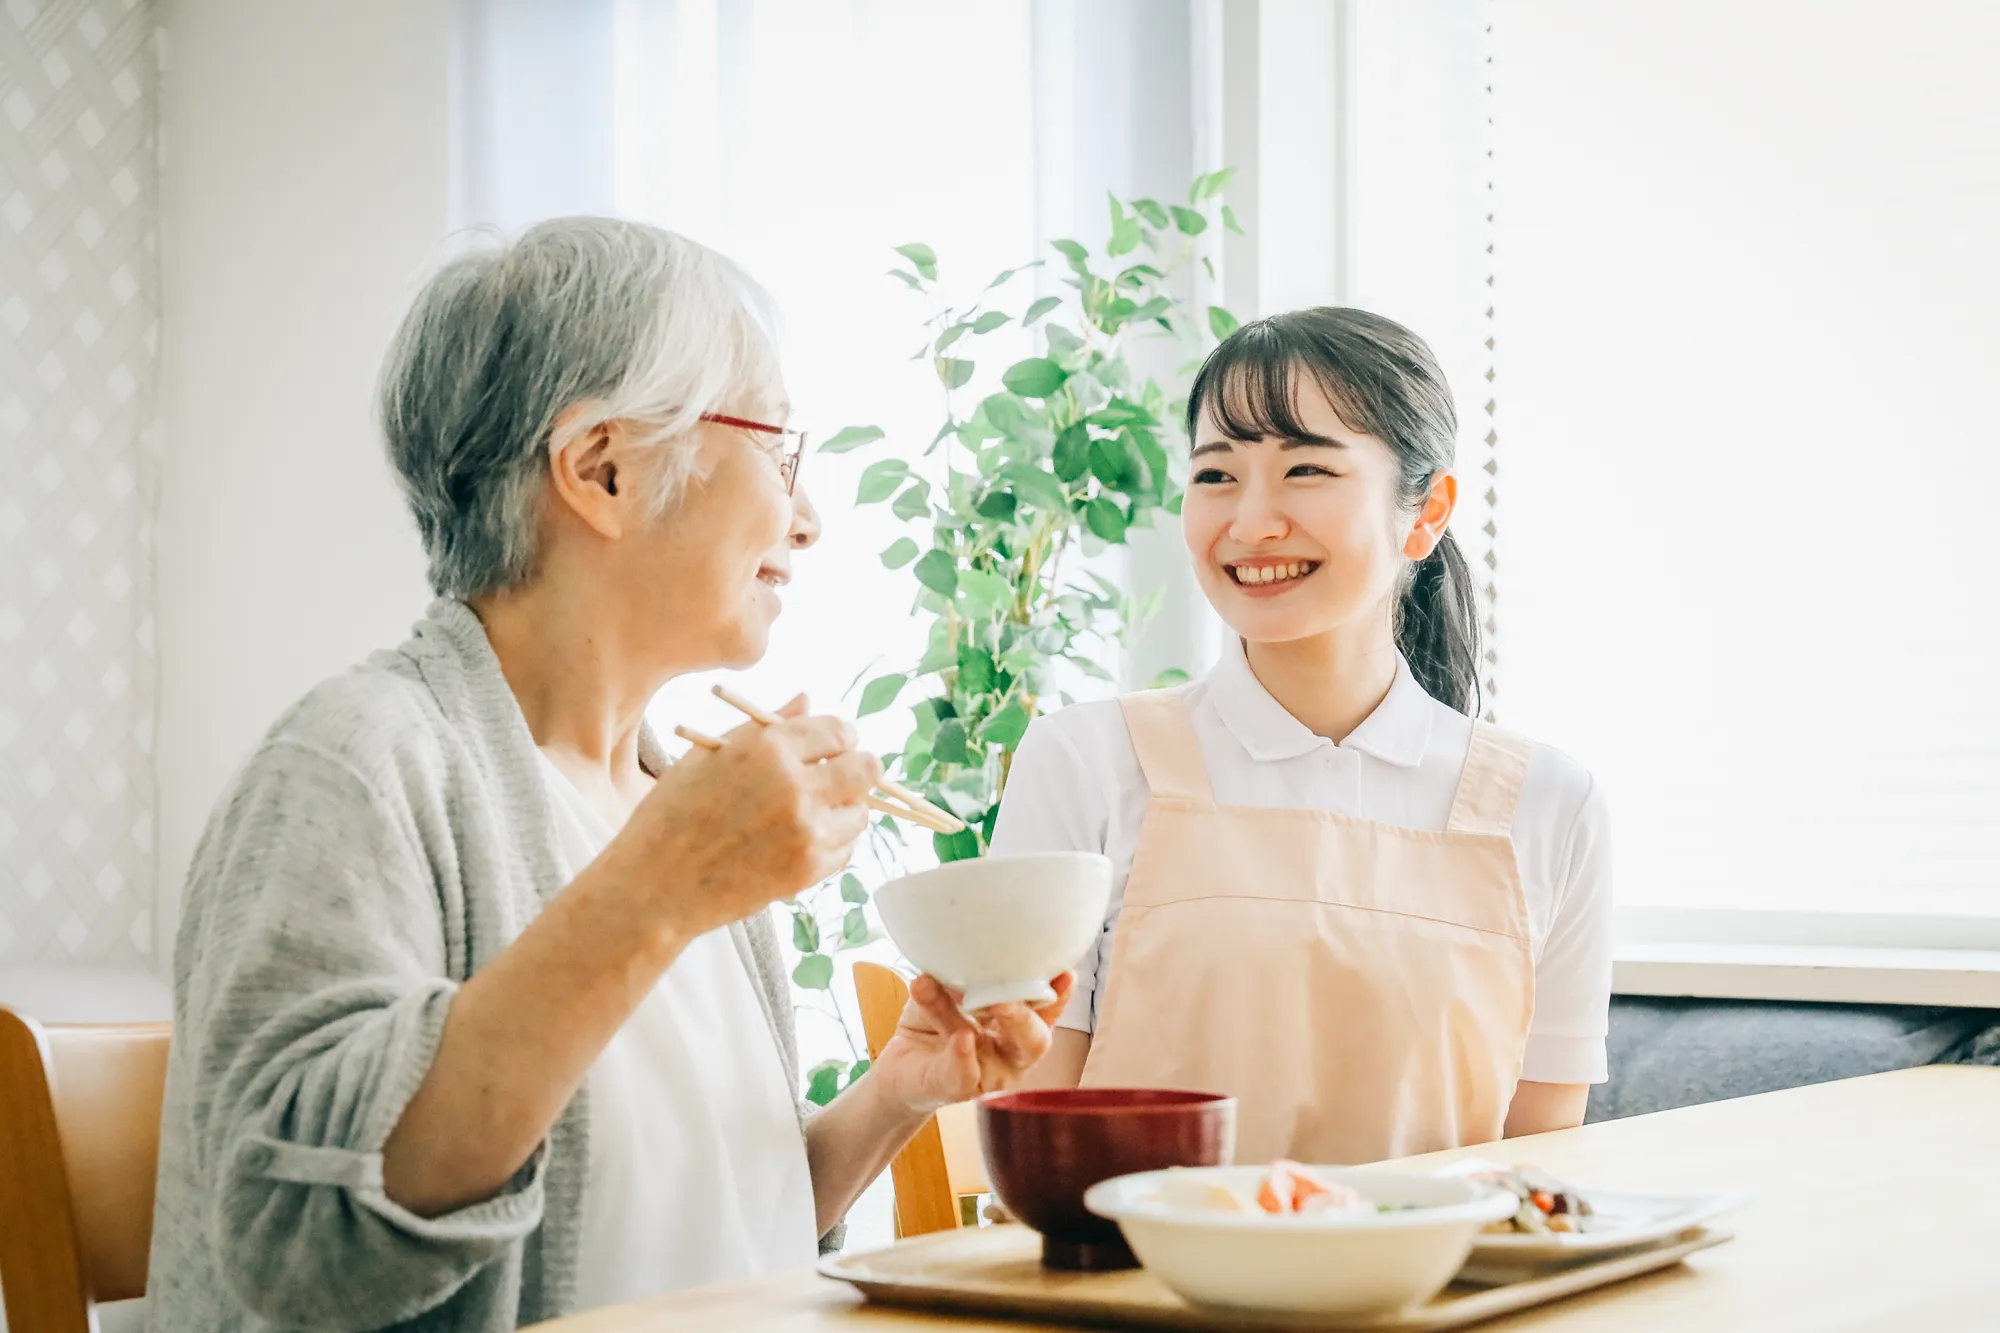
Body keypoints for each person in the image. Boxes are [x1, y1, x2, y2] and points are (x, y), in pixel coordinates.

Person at [146, 217, 1070, 1332]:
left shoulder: (662, 793)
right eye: (781, 449)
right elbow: (306, 1253)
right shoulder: (356, 764)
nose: (810, 517)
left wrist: (893, 1096)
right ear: (602, 468)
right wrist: (660, 888)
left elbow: (714, 1233)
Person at [992, 307, 1611, 1165]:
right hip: (1139, 1287)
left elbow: (1539, 1162)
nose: (1249, 523)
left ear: (1427, 511)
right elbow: (1039, 1138)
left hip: (1437, 1291)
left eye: (1306, 469)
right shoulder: (1087, 763)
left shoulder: (1550, 803)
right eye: (1216, 476)